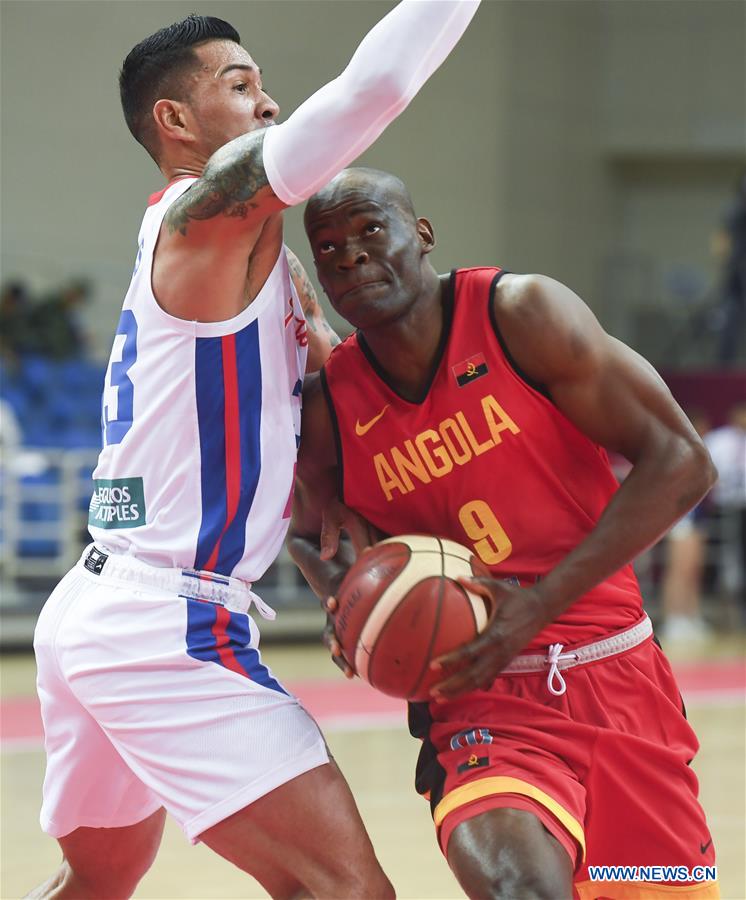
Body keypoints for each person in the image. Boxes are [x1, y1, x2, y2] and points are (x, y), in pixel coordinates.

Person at [29, 5, 481, 898]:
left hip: (96, 604)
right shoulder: (206, 218)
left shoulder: (260, 261)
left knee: (99, 878)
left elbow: (312, 422)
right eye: (241, 87)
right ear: (176, 121)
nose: (270, 105)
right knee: (347, 892)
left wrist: (333, 560)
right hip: (165, 625)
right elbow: (376, 89)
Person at [288, 168, 720, 899]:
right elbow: (307, 533)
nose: (351, 256)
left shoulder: (520, 314)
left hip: (615, 676)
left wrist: (540, 603)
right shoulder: (332, 407)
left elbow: (683, 462)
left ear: (421, 236)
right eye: (328, 249)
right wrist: (346, 599)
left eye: (369, 231)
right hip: (480, 700)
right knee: (521, 889)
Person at [659, 409, 714, 646]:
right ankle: (674, 618)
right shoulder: (676, 452)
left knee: (693, 569)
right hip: (681, 520)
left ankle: (690, 616)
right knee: (678, 570)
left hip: (697, 518)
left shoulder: (700, 454)